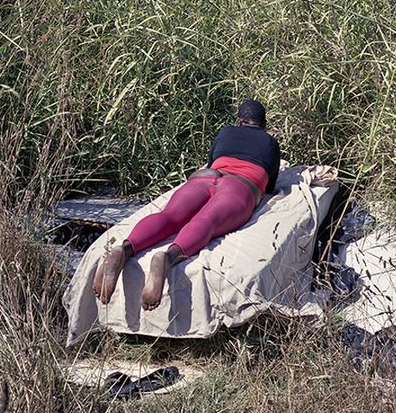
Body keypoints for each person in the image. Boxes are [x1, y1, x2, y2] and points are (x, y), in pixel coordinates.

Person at [92, 99, 281, 311]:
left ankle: (125, 249)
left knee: (170, 216)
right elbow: (270, 187)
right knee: (206, 221)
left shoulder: (227, 131)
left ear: (239, 121)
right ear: (263, 125)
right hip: (239, 185)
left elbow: (211, 162)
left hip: (206, 176)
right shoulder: (271, 143)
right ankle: (167, 257)